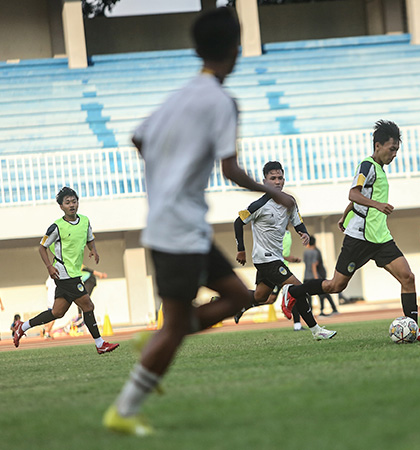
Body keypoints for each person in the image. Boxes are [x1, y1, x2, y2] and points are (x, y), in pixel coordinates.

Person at [103, 8, 300, 436]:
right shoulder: (222, 101)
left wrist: (169, 170)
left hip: (175, 224)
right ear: (236, 49)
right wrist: (275, 193)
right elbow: (230, 170)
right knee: (181, 326)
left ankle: (161, 337)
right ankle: (124, 408)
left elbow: (139, 137)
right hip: (180, 231)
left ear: (197, 50)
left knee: (239, 296)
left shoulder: (181, 94)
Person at [279, 120, 420, 342]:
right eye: (392, 149)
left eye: (397, 151)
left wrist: (346, 214)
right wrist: (377, 205)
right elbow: (354, 193)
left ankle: (414, 329)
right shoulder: (367, 165)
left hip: (380, 236)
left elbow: (359, 199)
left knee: (408, 277)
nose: (394, 155)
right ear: (378, 145)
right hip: (360, 237)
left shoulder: (379, 170)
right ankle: (293, 292)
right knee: (336, 285)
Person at [233, 161, 335, 339]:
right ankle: (316, 330)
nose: (277, 182)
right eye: (273, 178)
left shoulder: (290, 202)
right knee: (297, 288)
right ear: (265, 182)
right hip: (265, 258)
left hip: (275, 257)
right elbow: (238, 222)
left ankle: (230, 301)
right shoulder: (259, 205)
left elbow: (298, 221)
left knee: (263, 297)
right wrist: (241, 249)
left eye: (280, 178)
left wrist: (303, 233)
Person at [13, 187, 119, 354]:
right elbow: (42, 248)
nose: (72, 205)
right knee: (88, 305)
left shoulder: (85, 221)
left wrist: (94, 250)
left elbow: (90, 239)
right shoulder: (56, 227)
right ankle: (100, 344)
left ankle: (22, 326)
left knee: (57, 312)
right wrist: (49, 266)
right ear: (61, 206)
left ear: (78, 203)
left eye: (74, 201)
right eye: (67, 202)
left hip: (74, 272)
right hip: (64, 273)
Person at [303, 235, 338, 316]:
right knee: (322, 293)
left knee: (308, 295)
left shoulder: (305, 252)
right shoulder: (316, 252)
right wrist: (316, 277)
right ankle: (323, 310)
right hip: (315, 276)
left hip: (306, 276)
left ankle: (310, 312)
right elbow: (314, 265)